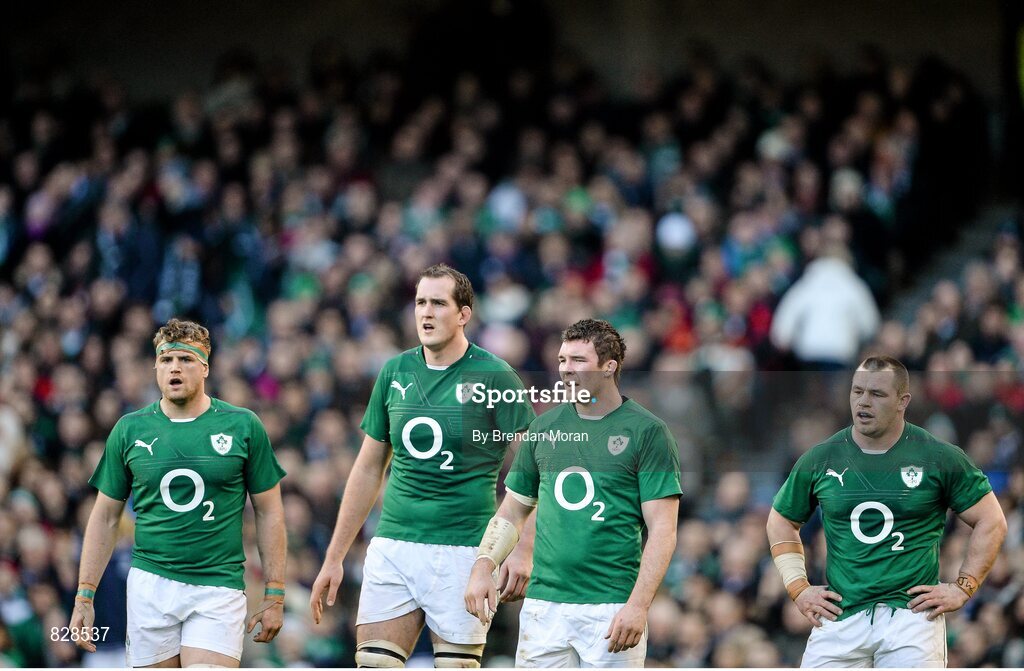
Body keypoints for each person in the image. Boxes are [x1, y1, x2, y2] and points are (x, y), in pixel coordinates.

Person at [309, 264, 536, 668]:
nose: (425, 313)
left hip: (465, 549)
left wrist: (523, 550)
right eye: (419, 303)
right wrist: (335, 556)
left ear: (464, 314)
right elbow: (367, 469)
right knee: (374, 664)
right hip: (394, 544)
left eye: (438, 303)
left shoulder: (494, 376)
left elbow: (537, 468)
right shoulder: (395, 371)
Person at [465, 318, 682, 667]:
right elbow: (512, 511)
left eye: (578, 361)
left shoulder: (648, 432)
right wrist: (483, 566)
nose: (566, 370)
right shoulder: (543, 427)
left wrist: (638, 605)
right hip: (543, 605)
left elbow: (663, 530)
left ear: (609, 367)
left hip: (611, 606)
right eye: (562, 360)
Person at [70, 318, 287, 667]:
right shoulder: (129, 430)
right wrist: (84, 595)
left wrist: (274, 592)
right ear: (155, 367)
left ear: (204, 368)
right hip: (150, 585)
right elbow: (106, 516)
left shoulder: (243, 425)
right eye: (167, 359)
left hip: (218, 586)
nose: (175, 368)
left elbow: (269, 510)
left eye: (185, 360)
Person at [767, 355, 1008, 667]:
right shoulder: (820, 458)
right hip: (841, 616)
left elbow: (991, 520)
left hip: (911, 620)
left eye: (877, 394)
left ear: (902, 401)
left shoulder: (939, 457)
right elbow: (781, 520)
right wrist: (798, 587)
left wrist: (964, 587)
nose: (864, 402)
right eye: (857, 392)